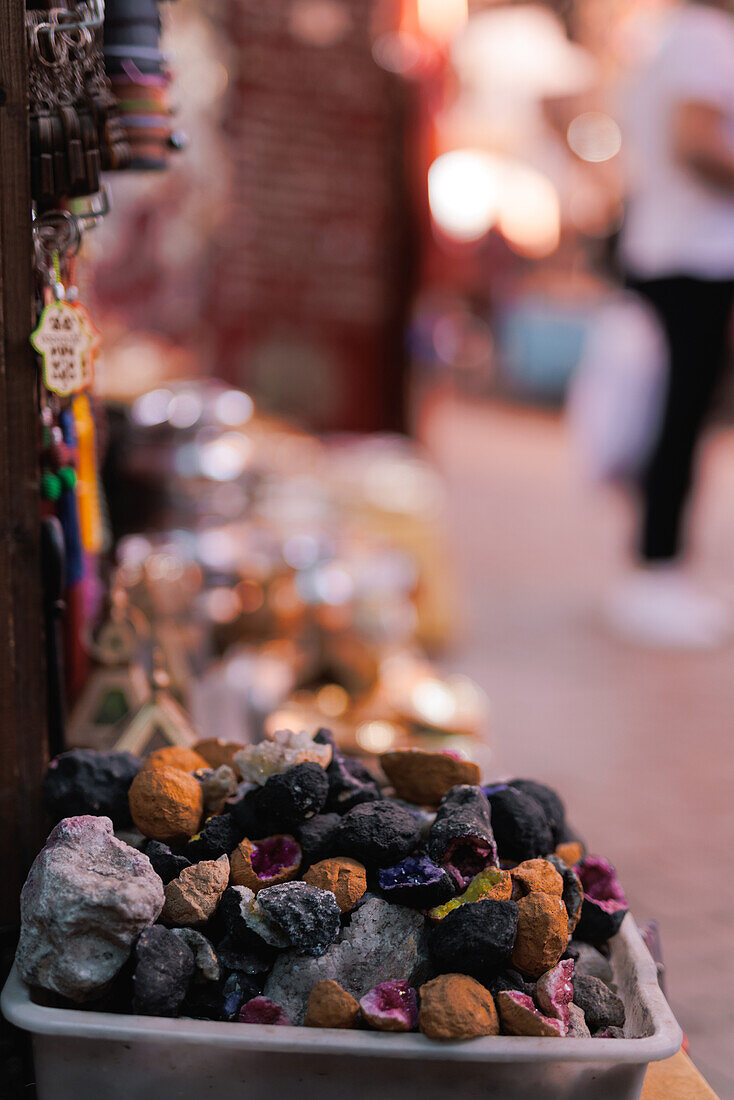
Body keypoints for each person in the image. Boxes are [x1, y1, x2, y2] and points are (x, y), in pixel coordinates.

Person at [609, 0, 734, 647]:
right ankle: (657, 570)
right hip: (692, 262)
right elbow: (697, 143)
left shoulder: (678, 38)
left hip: (674, 254)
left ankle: (665, 565)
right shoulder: (705, 40)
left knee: (679, 417)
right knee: (679, 419)